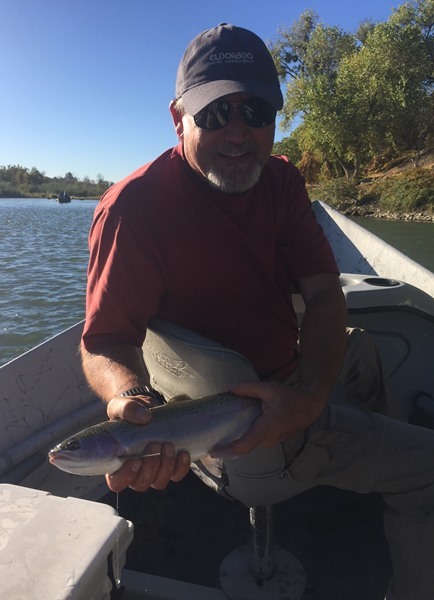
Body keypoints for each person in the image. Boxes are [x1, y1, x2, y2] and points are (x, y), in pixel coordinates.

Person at [81, 24, 434, 599]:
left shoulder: (282, 181)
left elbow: (323, 294)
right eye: (216, 113)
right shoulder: (132, 209)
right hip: (246, 431)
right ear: (178, 120)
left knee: (364, 352)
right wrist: (129, 403)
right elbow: (104, 342)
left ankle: (365, 478)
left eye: (257, 111)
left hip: (290, 388)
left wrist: (309, 398)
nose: (240, 133)